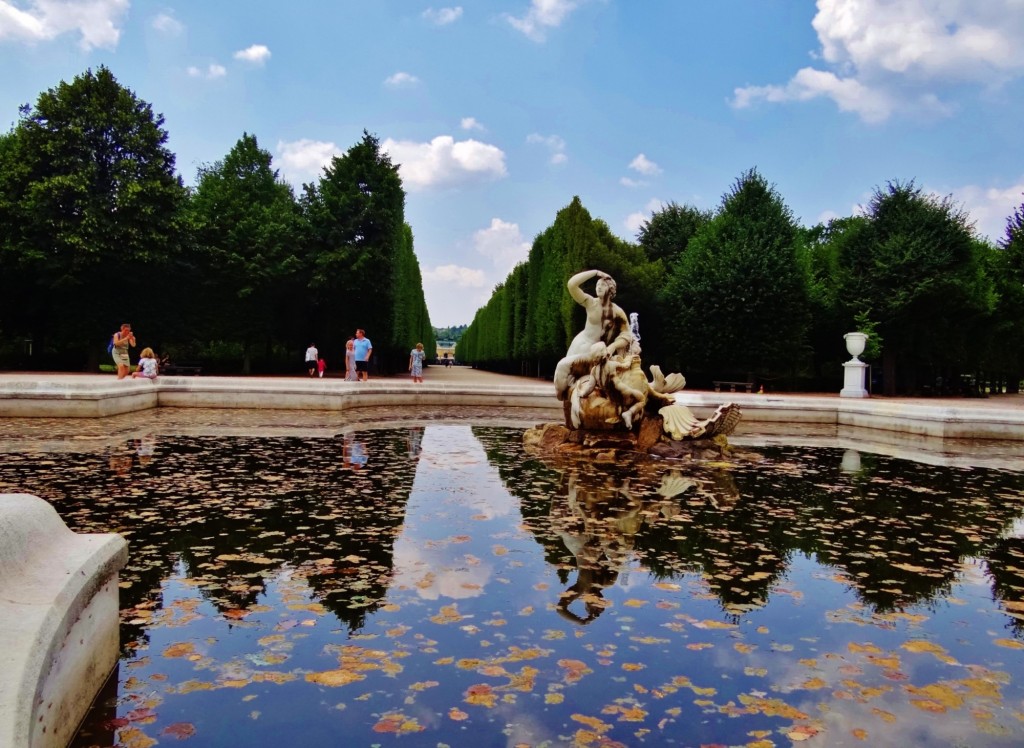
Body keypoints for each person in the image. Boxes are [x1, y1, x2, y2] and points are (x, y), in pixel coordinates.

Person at [553, 270, 632, 401]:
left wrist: (612, 346)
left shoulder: (617, 312)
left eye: (602, 285)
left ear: (611, 289)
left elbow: (627, 334)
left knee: (562, 367)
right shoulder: (590, 303)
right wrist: (595, 273)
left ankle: (564, 397)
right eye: (597, 285)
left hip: (593, 352)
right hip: (578, 345)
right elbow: (572, 284)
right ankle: (564, 398)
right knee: (566, 376)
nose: (598, 287)